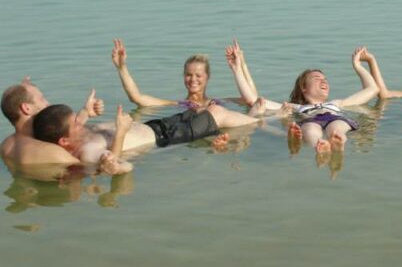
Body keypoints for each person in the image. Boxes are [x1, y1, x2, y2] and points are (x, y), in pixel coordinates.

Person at [32, 100, 261, 174]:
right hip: (167, 137)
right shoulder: (88, 152)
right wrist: (121, 131)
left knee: (208, 109)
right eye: (75, 123)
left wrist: (86, 112)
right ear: (64, 141)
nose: (79, 123)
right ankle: (262, 121)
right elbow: (120, 166)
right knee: (217, 113)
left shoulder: (77, 136)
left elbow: (74, 125)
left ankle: (257, 117)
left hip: (157, 125)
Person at [226, 45, 378, 155]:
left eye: (325, 79)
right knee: (310, 131)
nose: (323, 81)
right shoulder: (293, 107)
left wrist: (357, 65)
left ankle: (337, 144)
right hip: (309, 121)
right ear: (304, 88)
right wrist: (237, 68)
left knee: (337, 128)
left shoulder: (337, 103)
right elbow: (254, 100)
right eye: (317, 78)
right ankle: (321, 148)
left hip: (334, 117)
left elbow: (372, 89)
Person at [111, 39, 246, 108]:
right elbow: (137, 98)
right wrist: (122, 67)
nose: (193, 79)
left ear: (207, 77)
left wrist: (241, 65)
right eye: (188, 74)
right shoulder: (177, 105)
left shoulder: (218, 102)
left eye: (198, 75)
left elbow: (250, 100)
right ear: (183, 76)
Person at [2, 79, 103, 169]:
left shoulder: (5, 146)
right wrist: (119, 134)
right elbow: (97, 170)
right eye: (42, 99)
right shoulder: (52, 152)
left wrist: (85, 113)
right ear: (26, 108)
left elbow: (56, 132)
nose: (48, 103)